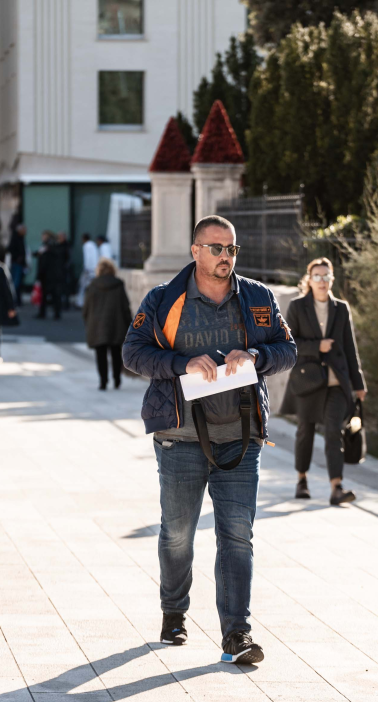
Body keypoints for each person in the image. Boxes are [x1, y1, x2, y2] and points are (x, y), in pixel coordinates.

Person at [122, 215, 296, 665]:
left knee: (238, 536)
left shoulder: (257, 297)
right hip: (179, 437)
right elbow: (133, 352)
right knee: (178, 534)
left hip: (241, 437)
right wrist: (180, 363)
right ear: (195, 250)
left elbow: (288, 349)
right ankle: (174, 612)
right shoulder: (164, 300)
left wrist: (256, 354)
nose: (225, 257)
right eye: (216, 248)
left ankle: (237, 634)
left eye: (232, 249)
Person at [280, 258, 366, 505]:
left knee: (333, 432)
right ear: (310, 279)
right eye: (317, 276)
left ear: (331, 279)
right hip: (308, 382)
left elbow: (350, 348)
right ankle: (301, 480)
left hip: (336, 382)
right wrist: (317, 346)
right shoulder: (297, 307)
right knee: (305, 431)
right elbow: (290, 343)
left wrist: (358, 384)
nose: (322, 281)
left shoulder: (341, 308)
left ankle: (336, 487)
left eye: (326, 276)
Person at [83, 258, 132, 390]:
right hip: (117, 324)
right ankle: (117, 379)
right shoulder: (119, 284)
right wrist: (129, 323)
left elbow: (86, 307)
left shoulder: (92, 285)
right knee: (116, 353)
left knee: (100, 354)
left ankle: (103, 381)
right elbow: (125, 306)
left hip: (97, 325)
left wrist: (88, 321)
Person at [36, 231, 64, 320]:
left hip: (49, 275)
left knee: (49, 295)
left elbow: (44, 263)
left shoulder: (49, 247)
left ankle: (46, 313)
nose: (42, 237)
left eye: (43, 236)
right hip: (52, 275)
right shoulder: (52, 246)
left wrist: (39, 274)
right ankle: (54, 313)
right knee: (52, 295)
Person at [7, 224, 29, 303]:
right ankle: (13, 300)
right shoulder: (16, 238)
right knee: (16, 282)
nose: (25, 232)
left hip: (19, 263)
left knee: (18, 282)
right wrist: (18, 258)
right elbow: (10, 249)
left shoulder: (20, 238)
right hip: (17, 263)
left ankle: (17, 299)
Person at [80, 233, 99, 300]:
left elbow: (87, 257)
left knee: (84, 285)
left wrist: (86, 268)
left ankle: (82, 302)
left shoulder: (86, 245)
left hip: (89, 269)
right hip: (94, 268)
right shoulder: (93, 244)